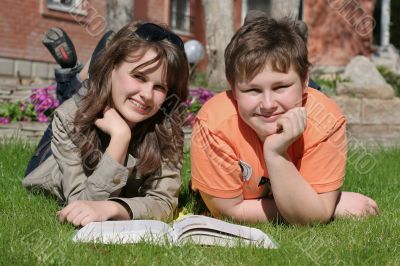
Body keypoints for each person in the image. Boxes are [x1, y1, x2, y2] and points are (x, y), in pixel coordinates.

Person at [190, 15, 379, 225]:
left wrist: (317, 207)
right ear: (233, 88)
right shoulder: (214, 123)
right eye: (252, 89)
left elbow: (313, 215)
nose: (268, 104)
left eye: (281, 87)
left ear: (305, 79)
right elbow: (227, 211)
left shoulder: (324, 119)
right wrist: (329, 207)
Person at [23, 21, 189, 226]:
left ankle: (85, 70)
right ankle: (72, 74)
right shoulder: (68, 118)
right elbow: (81, 205)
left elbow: (163, 202)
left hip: (101, 91)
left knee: (87, 93)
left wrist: (114, 208)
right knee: (75, 102)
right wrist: (120, 138)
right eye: (138, 76)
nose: (146, 95)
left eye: (159, 87)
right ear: (112, 68)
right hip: (48, 163)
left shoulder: (166, 126)